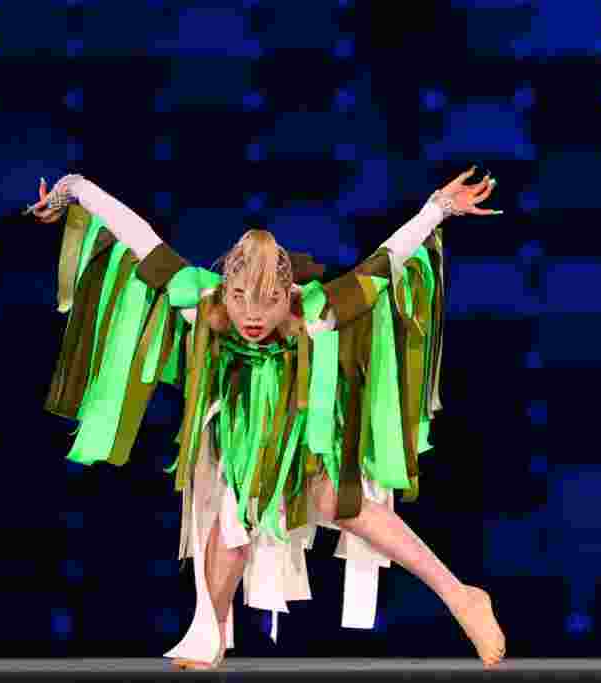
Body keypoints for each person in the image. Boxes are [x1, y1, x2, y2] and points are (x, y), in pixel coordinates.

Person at [27, 167, 507, 670]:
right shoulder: (200, 299)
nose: (253, 317)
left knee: (338, 502)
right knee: (234, 515)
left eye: (268, 302)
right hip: (237, 436)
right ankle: (208, 630)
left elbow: (387, 261)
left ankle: (461, 596)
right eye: (241, 300)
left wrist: (438, 207)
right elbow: (135, 232)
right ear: (225, 288)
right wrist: (73, 189)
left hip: (304, 430)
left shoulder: (315, 309)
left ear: (288, 295)